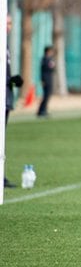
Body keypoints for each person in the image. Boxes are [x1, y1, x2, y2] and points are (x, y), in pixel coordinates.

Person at [4, 15, 23, 188]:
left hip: (6, 97)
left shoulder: (6, 44)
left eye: (10, 23)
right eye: (7, 22)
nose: (9, 26)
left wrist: (12, 80)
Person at [37, 45, 55, 118]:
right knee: (46, 96)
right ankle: (41, 111)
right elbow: (42, 70)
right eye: (51, 51)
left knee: (47, 95)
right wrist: (42, 80)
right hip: (46, 80)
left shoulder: (50, 59)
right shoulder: (44, 59)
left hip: (49, 79)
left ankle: (43, 110)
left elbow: (52, 69)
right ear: (48, 51)